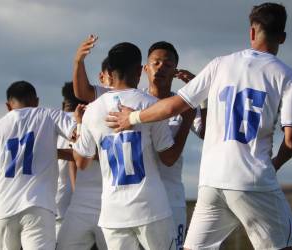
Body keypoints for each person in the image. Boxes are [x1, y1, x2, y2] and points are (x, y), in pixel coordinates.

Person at [107, 3, 292, 249]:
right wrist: (275, 165)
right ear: (282, 38)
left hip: (212, 180)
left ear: (251, 32)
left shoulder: (220, 64)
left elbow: (171, 107)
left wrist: (132, 118)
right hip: (253, 179)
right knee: (289, 245)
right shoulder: (287, 76)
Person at [73, 36, 204, 248]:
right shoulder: (149, 104)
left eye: (168, 64)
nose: (161, 67)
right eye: (156, 62)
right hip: (152, 205)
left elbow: (81, 161)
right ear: (142, 69)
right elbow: (169, 157)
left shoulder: (96, 109)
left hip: (122, 208)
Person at [0, 81, 76, 250]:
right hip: (39, 204)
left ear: (8, 106)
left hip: (3, 207)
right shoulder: (49, 115)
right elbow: (77, 136)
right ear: (36, 101)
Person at [56, 82, 107, 250]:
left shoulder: (53, 122)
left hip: (57, 206)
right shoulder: (92, 119)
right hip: (89, 203)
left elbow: (77, 159)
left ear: (64, 104)